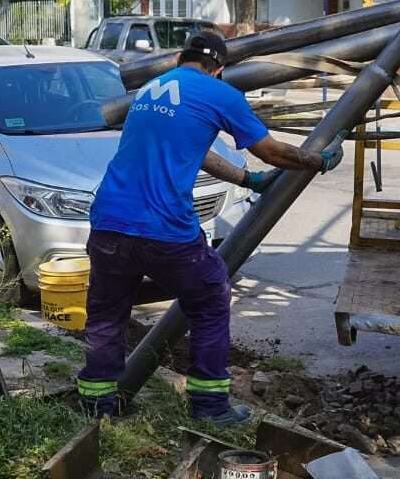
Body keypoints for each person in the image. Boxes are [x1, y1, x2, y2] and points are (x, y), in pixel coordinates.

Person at [76, 31, 344, 426]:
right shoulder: (220, 93)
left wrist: (246, 180)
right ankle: (209, 406)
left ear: (181, 59)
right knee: (210, 294)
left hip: (109, 223)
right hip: (162, 228)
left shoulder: (151, 89)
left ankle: (97, 407)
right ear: (219, 68)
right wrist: (316, 160)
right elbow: (269, 150)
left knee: (107, 313)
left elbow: (195, 149)